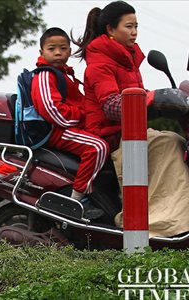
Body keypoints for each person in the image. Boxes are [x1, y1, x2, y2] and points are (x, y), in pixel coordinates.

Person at [71, 1, 189, 237]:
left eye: (136, 26)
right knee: (170, 143)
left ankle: (173, 218)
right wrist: (153, 99)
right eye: (129, 26)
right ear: (111, 30)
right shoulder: (99, 63)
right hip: (112, 135)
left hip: (132, 131)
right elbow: (112, 106)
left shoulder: (127, 59)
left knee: (179, 142)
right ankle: (158, 224)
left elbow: (140, 97)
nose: (134, 32)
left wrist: (164, 99)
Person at [31, 27, 110, 220]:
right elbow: (53, 111)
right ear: (41, 52)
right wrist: (82, 115)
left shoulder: (65, 75)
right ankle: (77, 200)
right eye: (52, 48)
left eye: (63, 48)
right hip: (58, 131)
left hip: (71, 127)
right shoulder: (45, 75)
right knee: (98, 147)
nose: (58, 53)